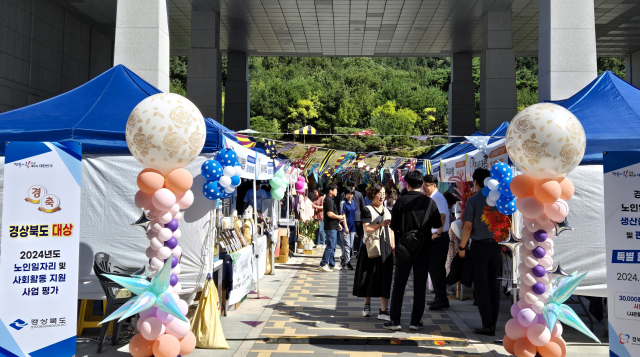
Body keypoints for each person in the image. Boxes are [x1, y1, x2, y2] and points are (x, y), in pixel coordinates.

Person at [384, 171, 442, 331]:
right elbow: (437, 222)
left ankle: (395, 321)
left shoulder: (400, 202)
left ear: (407, 184)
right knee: (419, 286)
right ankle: (415, 322)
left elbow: (394, 226)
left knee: (399, 285)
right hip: (424, 249)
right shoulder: (429, 202)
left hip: (404, 250)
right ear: (422, 184)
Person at [458, 168, 502, 336]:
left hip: (480, 247)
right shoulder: (499, 198)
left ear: (475, 182)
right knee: (494, 285)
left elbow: (468, 226)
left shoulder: (474, 200)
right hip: (496, 246)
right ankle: (493, 322)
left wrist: (462, 247)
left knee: (482, 286)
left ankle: (487, 324)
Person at [353, 183, 394, 321]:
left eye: (384, 193)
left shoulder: (388, 210)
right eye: (379, 193)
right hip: (371, 247)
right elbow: (366, 228)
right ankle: (367, 304)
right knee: (369, 275)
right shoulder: (367, 209)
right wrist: (379, 225)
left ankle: (383, 310)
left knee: (386, 278)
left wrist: (392, 246)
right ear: (373, 194)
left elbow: (391, 230)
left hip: (386, 247)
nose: (382, 196)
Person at [422, 175, 451, 311]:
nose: (424, 188)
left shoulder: (437, 197)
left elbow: (443, 216)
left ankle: (441, 299)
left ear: (434, 185)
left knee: (436, 268)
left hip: (439, 237)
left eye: (426, 185)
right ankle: (439, 298)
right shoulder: (433, 197)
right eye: (423, 185)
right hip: (435, 236)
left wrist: (438, 233)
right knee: (434, 268)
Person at [319, 183, 345, 272]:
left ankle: (332, 263)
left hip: (333, 226)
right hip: (330, 227)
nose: (337, 191)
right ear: (330, 191)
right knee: (330, 246)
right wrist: (339, 217)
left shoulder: (330, 199)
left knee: (333, 246)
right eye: (335, 189)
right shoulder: (329, 200)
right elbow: (329, 214)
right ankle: (323, 263)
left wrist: (338, 224)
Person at [345, 180, 366, 257]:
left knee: (348, 235)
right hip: (358, 217)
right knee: (358, 235)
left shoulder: (344, 194)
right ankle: (356, 250)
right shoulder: (359, 194)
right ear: (355, 185)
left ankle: (348, 252)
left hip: (347, 217)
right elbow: (363, 206)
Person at [338, 187, 357, 270]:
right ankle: (347, 263)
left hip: (352, 227)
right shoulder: (343, 203)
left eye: (351, 194)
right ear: (345, 194)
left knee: (351, 246)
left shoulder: (353, 203)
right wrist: (345, 227)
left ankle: (343, 257)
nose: (350, 195)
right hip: (344, 227)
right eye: (348, 193)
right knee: (347, 245)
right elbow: (343, 216)